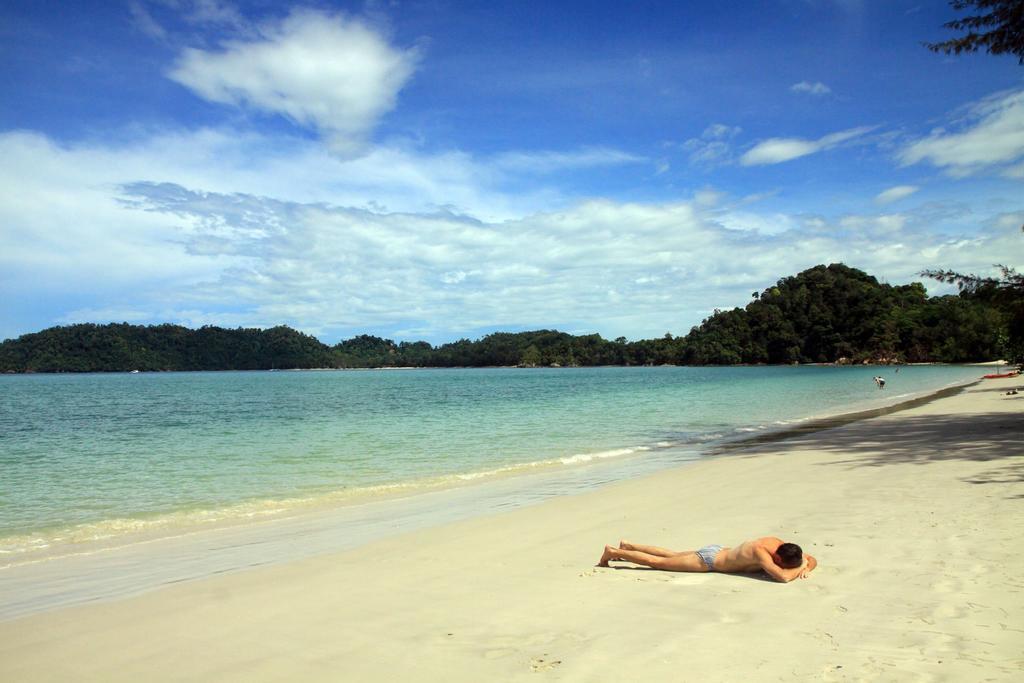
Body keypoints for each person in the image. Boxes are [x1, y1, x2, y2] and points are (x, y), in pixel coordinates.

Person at [597, 536, 817, 583]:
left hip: (718, 550)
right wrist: (801, 569)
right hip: (709, 561)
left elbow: (811, 558)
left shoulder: (780, 544)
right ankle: (614, 552)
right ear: (777, 556)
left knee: (673, 554)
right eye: (780, 562)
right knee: (660, 564)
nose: (779, 564)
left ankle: (629, 545)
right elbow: (782, 577)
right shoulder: (762, 552)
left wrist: (807, 564)